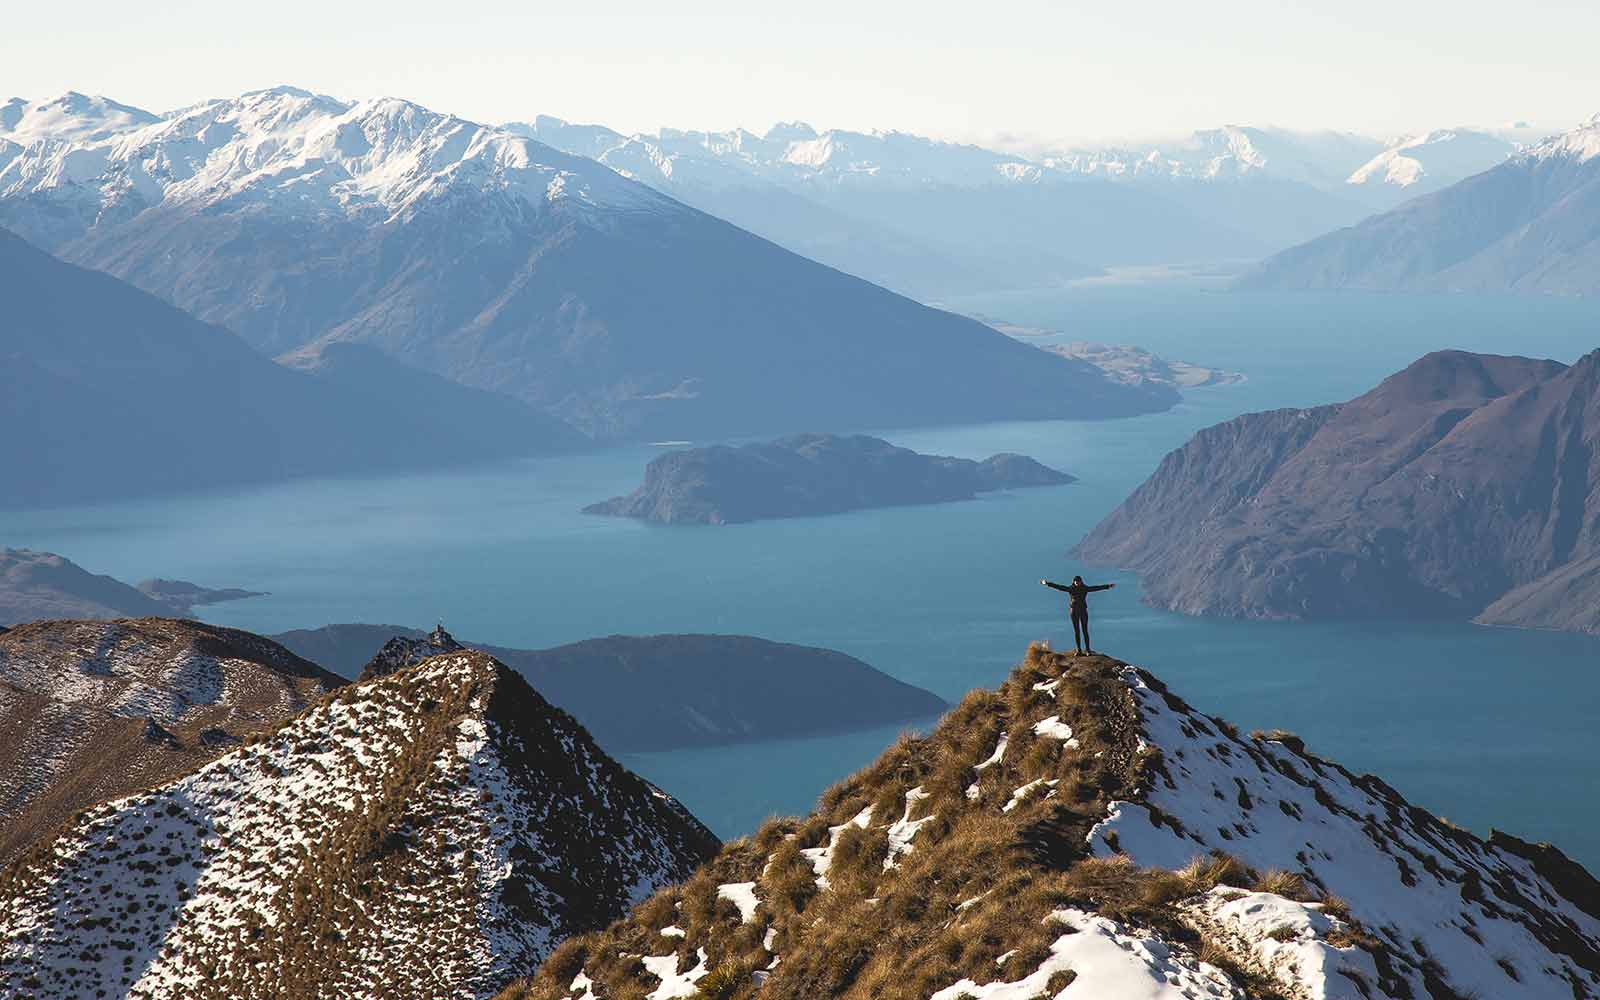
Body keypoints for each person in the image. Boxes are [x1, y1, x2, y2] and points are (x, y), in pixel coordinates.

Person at [1041, 576, 1115, 655]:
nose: (1077, 583)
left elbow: (1096, 588)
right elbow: (1059, 587)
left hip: (1083, 610)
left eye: (1078, 581)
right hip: (1074, 611)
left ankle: (1087, 650)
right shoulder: (1071, 589)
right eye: (1075, 581)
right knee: (1077, 631)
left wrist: (1107, 586)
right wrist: (1047, 583)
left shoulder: (1084, 588)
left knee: (1085, 630)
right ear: (1073, 582)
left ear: (1081, 582)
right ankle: (1079, 650)